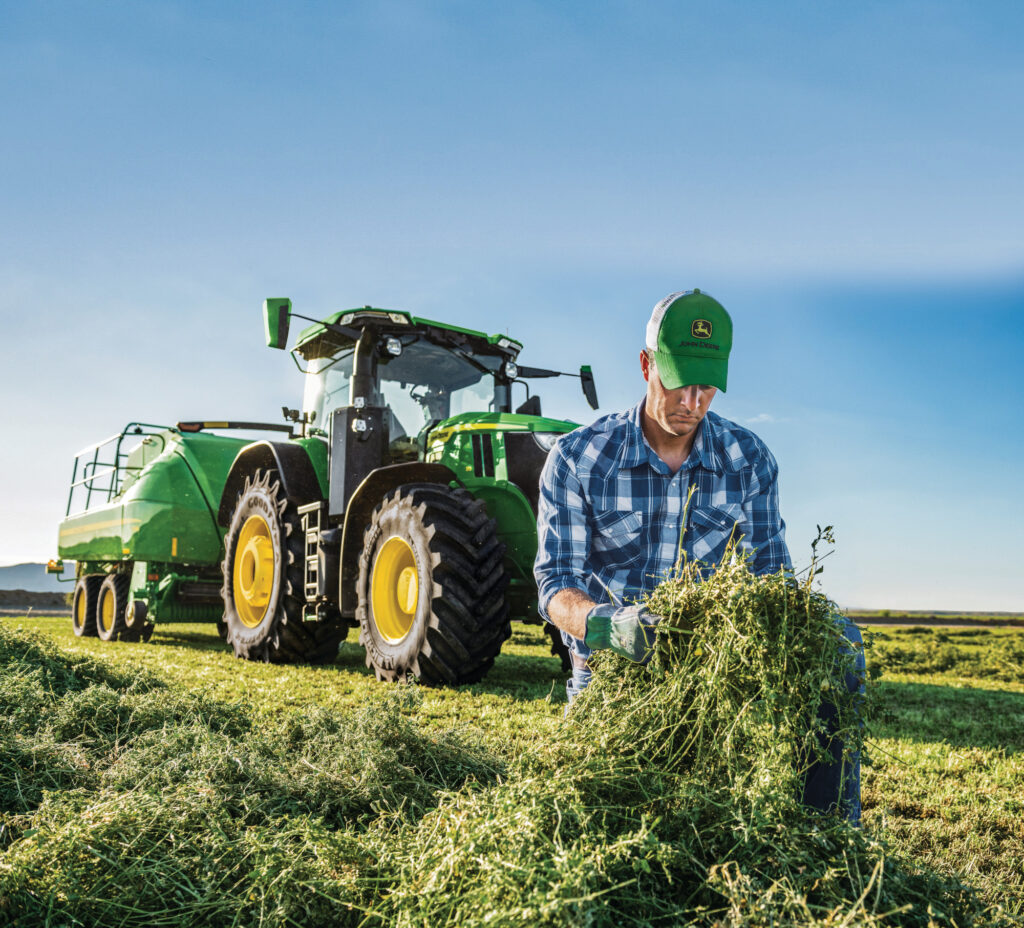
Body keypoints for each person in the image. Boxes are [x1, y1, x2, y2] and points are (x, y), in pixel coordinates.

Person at [533, 289, 864, 823]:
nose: (693, 401)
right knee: (601, 824)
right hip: (615, 676)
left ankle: (827, 831)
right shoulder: (579, 458)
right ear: (647, 365)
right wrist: (605, 625)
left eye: (707, 386)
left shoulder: (748, 460)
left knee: (840, 644)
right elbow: (556, 584)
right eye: (679, 381)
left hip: (709, 678)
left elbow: (770, 579)